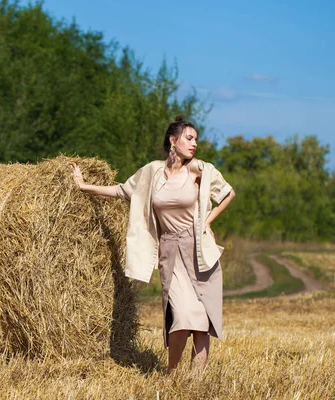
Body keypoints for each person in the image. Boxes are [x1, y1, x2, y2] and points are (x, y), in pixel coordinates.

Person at [71, 116, 236, 373]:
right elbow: (122, 191)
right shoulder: (152, 172)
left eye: (196, 140)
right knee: (181, 316)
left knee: (203, 321)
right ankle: (171, 374)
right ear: (173, 140)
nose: (194, 144)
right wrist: (83, 187)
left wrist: (206, 222)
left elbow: (227, 194)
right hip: (171, 252)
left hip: (199, 251)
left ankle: (195, 384)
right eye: (189, 138)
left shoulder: (197, 169)